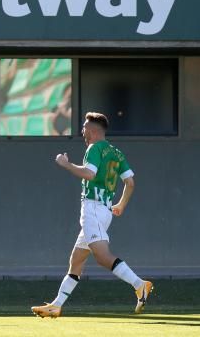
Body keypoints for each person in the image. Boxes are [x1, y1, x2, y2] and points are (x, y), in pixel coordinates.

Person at [31, 112, 153, 318]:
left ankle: (140, 284)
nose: (83, 131)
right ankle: (56, 305)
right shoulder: (116, 152)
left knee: (103, 257)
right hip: (103, 211)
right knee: (76, 260)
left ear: (94, 131)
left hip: (93, 210)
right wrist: (121, 205)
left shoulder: (94, 148)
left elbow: (89, 173)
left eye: (85, 127)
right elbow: (130, 182)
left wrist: (66, 164)